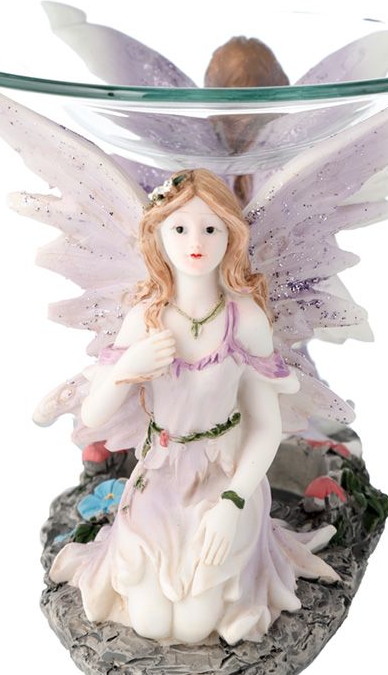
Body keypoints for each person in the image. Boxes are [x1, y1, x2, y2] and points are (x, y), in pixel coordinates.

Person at [49, 168, 339, 646]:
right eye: (180, 229)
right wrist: (127, 369)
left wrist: (233, 503)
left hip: (223, 476)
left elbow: (265, 427)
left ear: (231, 235)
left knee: (194, 625)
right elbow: (94, 416)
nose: (195, 242)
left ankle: (241, 571)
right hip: (160, 475)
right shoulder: (146, 319)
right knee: (150, 623)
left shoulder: (245, 319)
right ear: (158, 237)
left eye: (210, 228)